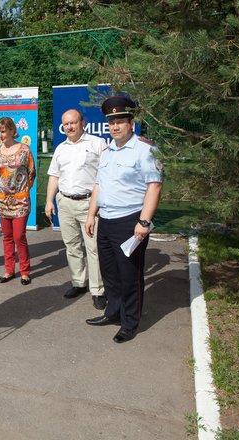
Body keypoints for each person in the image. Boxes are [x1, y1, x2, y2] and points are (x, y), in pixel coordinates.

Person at [85, 96, 163, 343]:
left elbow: (154, 186)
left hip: (130, 221)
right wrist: (91, 215)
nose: (115, 126)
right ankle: (113, 312)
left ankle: (130, 322)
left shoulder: (145, 149)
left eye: (120, 121)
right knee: (109, 272)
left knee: (130, 275)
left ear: (131, 123)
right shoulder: (108, 151)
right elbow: (99, 184)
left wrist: (144, 222)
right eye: (111, 122)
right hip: (106, 220)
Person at [45, 109, 107, 309]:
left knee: (93, 248)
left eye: (73, 122)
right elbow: (54, 176)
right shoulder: (60, 148)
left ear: (82, 123)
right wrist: (49, 201)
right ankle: (78, 283)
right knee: (72, 246)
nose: (69, 127)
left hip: (89, 204)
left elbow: (106, 175)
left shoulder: (97, 144)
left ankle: (98, 290)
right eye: (66, 124)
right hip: (65, 203)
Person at [0, 117, 36, 286]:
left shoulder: (24, 150)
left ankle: (25, 271)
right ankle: (9, 270)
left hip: (20, 201)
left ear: (11, 130)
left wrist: (22, 192)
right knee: (7, 237)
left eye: (3, 131)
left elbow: (32, 172)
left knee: (19, 236)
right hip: (2, 201)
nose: (1, 135)